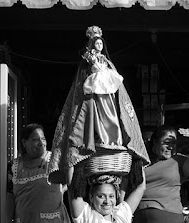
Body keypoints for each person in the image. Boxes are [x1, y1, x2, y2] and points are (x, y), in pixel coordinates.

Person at [47, 25, 150, 185]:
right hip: (93, 97)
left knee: (113, 117)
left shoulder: (106, 61)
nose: (99, 46)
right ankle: (99, 140)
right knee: (94, 118)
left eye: (101, 43)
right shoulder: (88, 60)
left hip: (107, 94)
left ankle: (113, 141)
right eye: (96, 43)